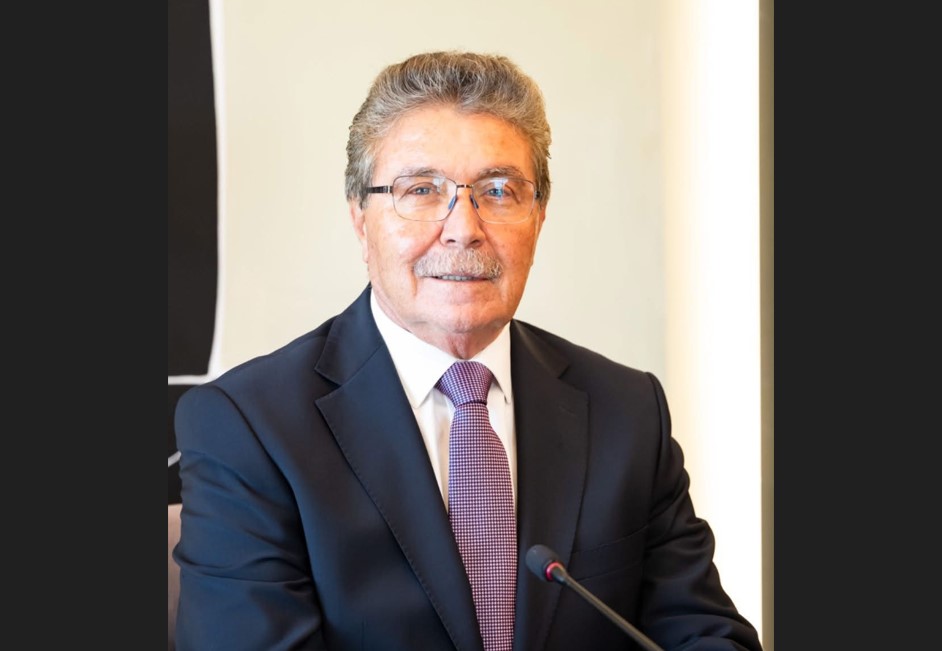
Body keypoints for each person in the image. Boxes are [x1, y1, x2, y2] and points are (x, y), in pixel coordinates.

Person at [173, 50, 763, 651]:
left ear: (539, 217)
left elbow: (707, 635)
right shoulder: (249, 428)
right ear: (360, 219)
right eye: (421, 190)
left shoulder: (627, 411)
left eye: (499, 191)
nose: (463, 229)